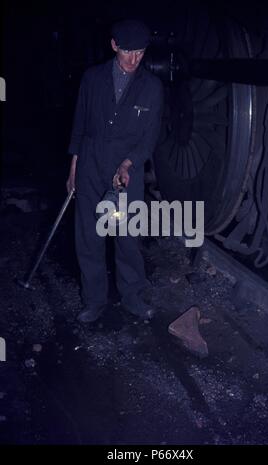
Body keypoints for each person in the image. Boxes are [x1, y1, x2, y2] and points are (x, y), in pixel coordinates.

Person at [66, 19, 164, 324]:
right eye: (127, 52)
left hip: (126, 170)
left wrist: (128, 163)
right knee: (89, 236)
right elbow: (79, 127)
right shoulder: (92, 79)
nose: (134, 59)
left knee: (126, 235)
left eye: (140, 52)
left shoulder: (152, 87)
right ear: (114, 46)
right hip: (90, 164)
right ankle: (94, 301)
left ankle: (133, 296)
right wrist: (73, 171)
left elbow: (150, 137)